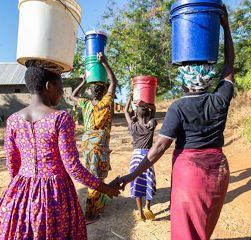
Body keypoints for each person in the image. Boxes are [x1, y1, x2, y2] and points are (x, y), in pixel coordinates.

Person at [119, 6, 235, 240]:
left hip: (190, 172)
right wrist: (225, 27)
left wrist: (131, 176)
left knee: (187, 231)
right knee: (203, 226)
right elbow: (229, 65)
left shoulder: (178, 107)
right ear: (207, 77)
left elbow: (160, 148)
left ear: (184, 82)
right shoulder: (220, 99)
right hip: (218, 169)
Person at [0, 66, 120, 240]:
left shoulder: (13, 120)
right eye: (60, 86)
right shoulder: (60, 118)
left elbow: (12, 163)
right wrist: (105, 188)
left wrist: (23, 191)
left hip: (21, 190)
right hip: (55, 194)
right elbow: (72, 167)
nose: (62, 92)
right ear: (49, 86)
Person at [70, 52, 117, 223]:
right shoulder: (106, 102)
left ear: (90, 92)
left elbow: (71, 96)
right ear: (103, 91)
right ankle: (91, 212)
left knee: (92, 176)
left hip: (88, 145)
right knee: (98, 178)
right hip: (99, 145)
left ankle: (96, 207)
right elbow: (114, 82)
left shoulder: (85, 103)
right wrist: (104, 63)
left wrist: (82, 82)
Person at [124, 93, 157, 221]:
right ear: (148, 114)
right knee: (149, 180)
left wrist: (130, 98)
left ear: (136, 115)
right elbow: (153, 109)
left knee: (136, 182)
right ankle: (147, 206)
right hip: (148, 157)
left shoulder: (133, 127)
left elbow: (126, 111)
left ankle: (140, 212)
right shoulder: (151, 124)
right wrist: (145, 104)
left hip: (136, 157)